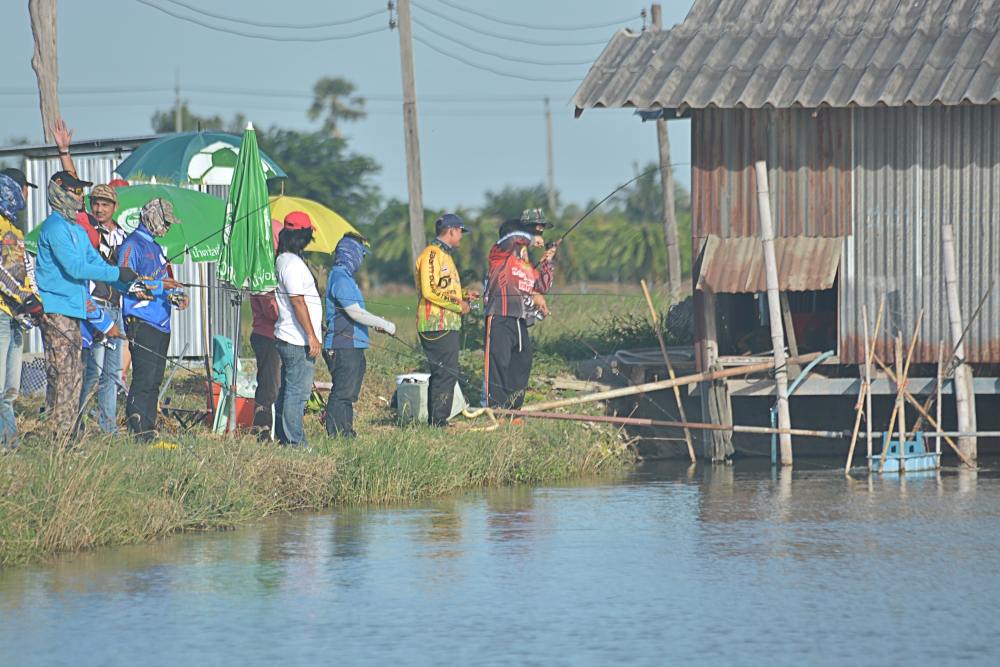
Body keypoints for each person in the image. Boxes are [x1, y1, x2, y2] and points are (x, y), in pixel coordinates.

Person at [35, 171, 133, 440]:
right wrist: (116, 274)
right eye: (75, 191)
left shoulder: (77, 230)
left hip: (74, 312)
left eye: (80, 192)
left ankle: (69, 433)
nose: (80, 197)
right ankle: (60, 436)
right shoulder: (54, 228)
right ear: (59, 192)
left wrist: (128, 281)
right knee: (64, 376)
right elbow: (76, 268)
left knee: (75, 375)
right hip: (57, 311)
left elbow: (99, 264)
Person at [118, 198, 187, 440]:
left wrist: (176, 295)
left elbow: (165, 282)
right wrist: (160, 285)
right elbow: (124, 281)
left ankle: (149, 427)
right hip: (141, 320)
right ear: (152, 217)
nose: (167, 227)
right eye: (164, 222)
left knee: (156, 378)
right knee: (144, 377)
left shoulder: (157, 248)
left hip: (161, 322)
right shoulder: (131, 245)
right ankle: (137, 428)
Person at [323, 233, 395, 437]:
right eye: (360, 254)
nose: (361, 260)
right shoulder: (340, 277)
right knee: (342, 392)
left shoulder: (346, 278)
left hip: (353, 345)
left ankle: (346, 432)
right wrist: (385, 324)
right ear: (351, 253)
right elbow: (355, 312)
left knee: (348, 393)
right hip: (343, 345)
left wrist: (376, 324)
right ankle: (337, 434)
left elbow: (357, 314)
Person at [482, 218, 556, 409]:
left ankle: (513, 409)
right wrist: (531, 238)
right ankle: (495, 409)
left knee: (522, 361)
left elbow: (542, 286)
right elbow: (512, 238)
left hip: (519, 319)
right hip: (499, 316)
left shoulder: (524, 266)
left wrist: (548, 261)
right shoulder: (499, 254)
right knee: (498, 363)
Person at [414, 213, 477, 426]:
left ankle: (437, 420)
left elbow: (444, 288)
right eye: (460, 232)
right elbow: (430, 291)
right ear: (451, 230)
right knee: (446, 374)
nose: (461, 236)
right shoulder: (431, 255)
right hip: (436, 324)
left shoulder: (445, 256)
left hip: (447, 324)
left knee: (444, 372)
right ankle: (438, 422)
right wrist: (458, 305)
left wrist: (465, 294)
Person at [78, 185, 128, 433]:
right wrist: (65, 153)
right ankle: (76, 423)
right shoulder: (86, 229)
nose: (99, 208)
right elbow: (74, 188)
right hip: (95, 307)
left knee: (112, 373)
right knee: (91, 372)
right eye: (95, 203)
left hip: (116, 308)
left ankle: (108, 427)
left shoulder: (122, 236)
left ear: (114, 207)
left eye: (105, 204)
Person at [273, 211, 322, 447]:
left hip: (291, 337)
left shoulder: (285, 259)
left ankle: (283, 438)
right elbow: (297, 301)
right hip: (296, 339)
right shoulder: (291, 264)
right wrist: (312, 336)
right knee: (297, 394)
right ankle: (295, 442)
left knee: (288, 391)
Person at [0, 170, 40, 450]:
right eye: (24, 188)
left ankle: (10, 445)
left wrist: (35, 301)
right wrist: (23, 296)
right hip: (2, 314)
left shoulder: (14, 229)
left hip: (15, 318)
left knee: (10, 389)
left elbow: (26, 271)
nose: (27, 195)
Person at [249, 221, 282, 439]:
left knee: (274, 385)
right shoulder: (263, 269)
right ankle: (262, 430)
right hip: (267, 335)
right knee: (269, 387)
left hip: (271, 335)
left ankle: (271, 429)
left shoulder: (273, 267)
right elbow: (272, 310)